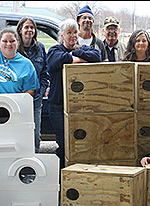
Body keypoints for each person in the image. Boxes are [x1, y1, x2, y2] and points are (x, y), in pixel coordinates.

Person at [47, 19, 101, 169]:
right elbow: (57, 61)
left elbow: (97, 56)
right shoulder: (54, 51)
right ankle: (61, 177)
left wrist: (75, 54)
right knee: (64, 145)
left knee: (79, 144)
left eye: (75, 32)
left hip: (79, 106)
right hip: (58, 106)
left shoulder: (83, 48)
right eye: (69, 33)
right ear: (62, 35)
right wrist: (80, 59)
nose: (72, 36)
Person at [16, 17, 50, 153]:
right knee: (17, 132)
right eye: (26, 27)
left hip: (35, 99)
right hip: (17, 99)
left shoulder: (40, 48)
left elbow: (44, 73)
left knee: (35, 133)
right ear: (20, 30)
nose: (29, 30)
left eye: (32, 27)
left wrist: (41, 91)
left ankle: (33, 162)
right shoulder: (13, 47)